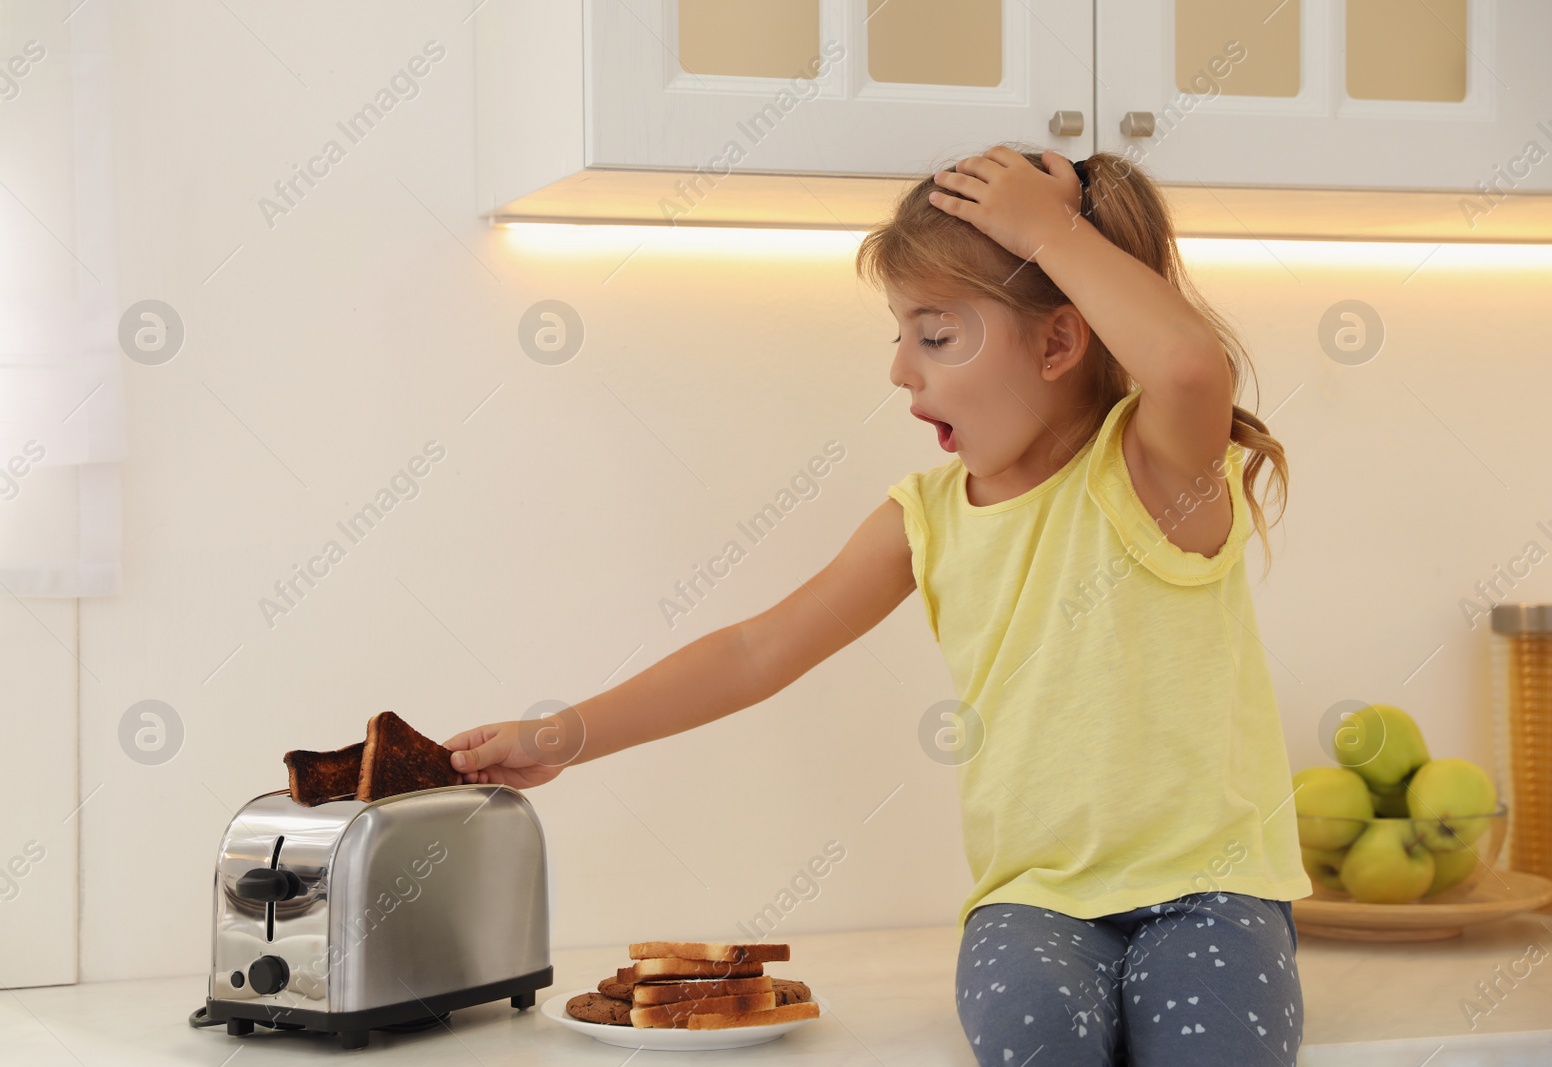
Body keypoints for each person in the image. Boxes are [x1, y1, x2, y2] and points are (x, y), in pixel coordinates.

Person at [444, 144, 1313, 1066]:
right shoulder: (926, 519)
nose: (902, 368)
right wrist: (560, 735)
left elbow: (1185, 368)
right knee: (1036, 1037)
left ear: (1058, 343)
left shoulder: (1153, 475)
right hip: (1034, 902)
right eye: (898, 335)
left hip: (1212, 893)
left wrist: (1048, 230)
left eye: (934, 335)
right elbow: (756, 651)